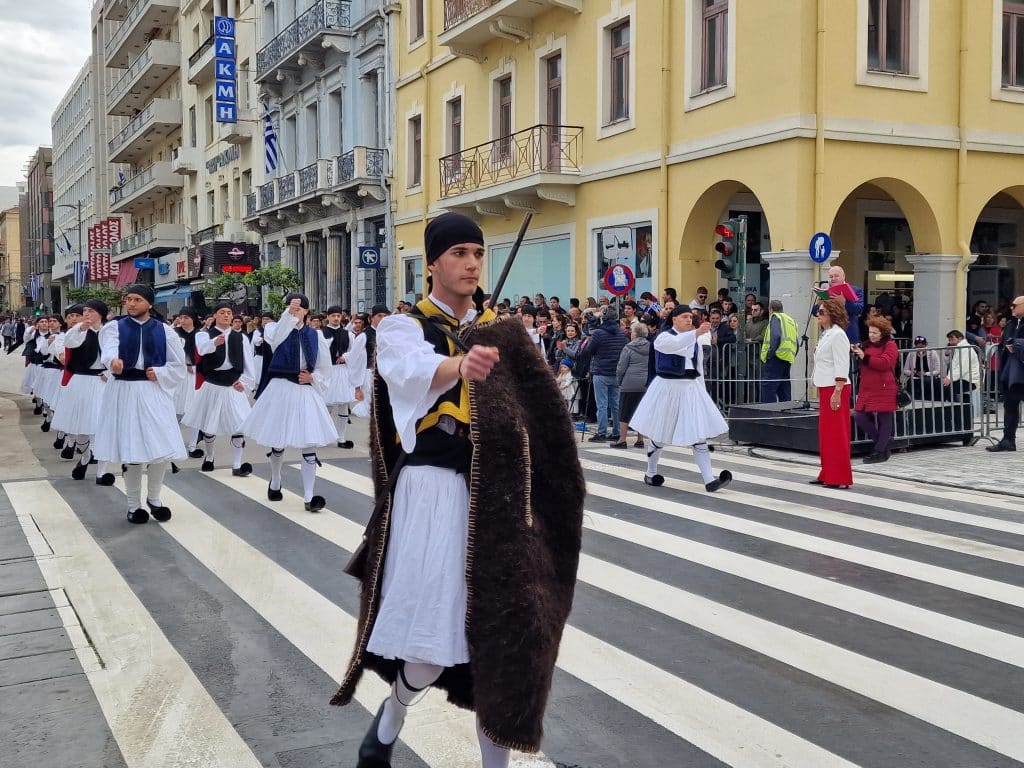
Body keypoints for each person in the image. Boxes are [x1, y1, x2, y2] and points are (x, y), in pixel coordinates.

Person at [332, 211, 585, 768]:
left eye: (477, 253)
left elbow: (539, 409)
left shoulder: (504, 331)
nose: (472, 264)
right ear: (433, 265)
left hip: (498, 494)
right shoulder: (402, 327)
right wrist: (461, 362)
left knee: (502, 642)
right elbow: (409, 371)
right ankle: (391, 719)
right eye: (459, 254)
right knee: (429, 647)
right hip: (434, 489)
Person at [92, 285, 187, 524]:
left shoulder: (165, 331)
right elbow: (109, 351)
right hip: (124, 391)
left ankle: (154, 498)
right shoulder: (114, 327)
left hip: (154, 391)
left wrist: (161, 373)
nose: (131, 303)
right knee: (132, 451)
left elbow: (178, 366)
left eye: (137, 299)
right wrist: (112, 361)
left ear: (149, 304)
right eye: (129, 299)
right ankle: (134, 505)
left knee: (160, 450)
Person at [241, 293, 337, 511]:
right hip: (281, 388)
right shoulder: (274, 328)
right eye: (291, 309)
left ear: (307, 311)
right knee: (278, 439)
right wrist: (288, 314)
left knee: (309, 442)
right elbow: (275, 339)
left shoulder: (316, 336)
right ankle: (275, 480)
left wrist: (313, 378)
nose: (295, 312)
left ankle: (309, 496)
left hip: (305, 389)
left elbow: (325, 366)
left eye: (299, 309)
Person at [628, 305, 732, 490]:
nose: (688, 320)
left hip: (689, 388)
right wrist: (697, 333)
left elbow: (698, 368)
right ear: (674, 319)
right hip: (668, 388)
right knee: (660, 433)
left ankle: (709, 479)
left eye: (690, 317)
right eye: (684, 316)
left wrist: (702, 393)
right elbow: (674, 345)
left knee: (698, 435)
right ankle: (651, 472)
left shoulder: (695, 340)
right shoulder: (664, 337)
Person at [182, 302, 257, 476]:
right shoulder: (204, 335)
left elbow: (248, 363)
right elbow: (201, 350)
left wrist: (245, 383)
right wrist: (215, 342)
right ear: (215, 315)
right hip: (212, 383)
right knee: (209, 425)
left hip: (233, 383)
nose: (226, 315)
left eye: (229, 313)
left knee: (239, 425)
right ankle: (209, 456)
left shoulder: (241, 337)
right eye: (222, 312)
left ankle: (237, 464)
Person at [51, 299, 114, 484]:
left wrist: (109, 371)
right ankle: (85, 455)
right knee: (79, 429)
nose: (86, 314)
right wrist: (81, 328)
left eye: (91, 311)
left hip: (103, 382)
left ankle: (102, 471)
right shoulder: (75, 332)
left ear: (100, 314)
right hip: (80, 381)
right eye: (85, 311)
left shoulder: (109, 332)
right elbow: (70, 343)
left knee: (102, 427)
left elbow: (119, 354)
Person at [810, 299, 852, 489]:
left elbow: (842, 363)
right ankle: (827, 471)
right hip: (825, 386)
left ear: (832, 314)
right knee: (826, 434)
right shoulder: (827, 334)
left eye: (822, 312)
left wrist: (837, 390)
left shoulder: (838, 335)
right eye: (819, 311)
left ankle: (839, 476)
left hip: (836, 388)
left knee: (836, 433)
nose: (818, 315)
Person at [852, 317, 900, 463]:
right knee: (859, 415)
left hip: (884, 387)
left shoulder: (890, 345)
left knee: (884, 419)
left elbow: (885, 363)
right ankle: (883, 445)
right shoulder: (865, 345)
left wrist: (863, 356)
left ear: (882, 332)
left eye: (875, 332)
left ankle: (879, 450)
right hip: (867, 387)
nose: (871, 335)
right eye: (870, 331)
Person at [578, 304, 628, 442]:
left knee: (602, 404)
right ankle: (617, 432)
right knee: (616, 404)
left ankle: (601, 432)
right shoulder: (621, 334)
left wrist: (596, 316)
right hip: (616, 372)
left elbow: (588, 351)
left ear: (604, 317)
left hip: (601, 371)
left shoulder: (599, 333)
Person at [321, 305, 366, 449]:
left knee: (343, 404)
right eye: (333, 316)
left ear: (341, 317)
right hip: (327, 372)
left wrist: (346, 357)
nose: (336, 318)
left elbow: (355, 352)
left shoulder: (349, 335)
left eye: (338, 316)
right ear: (327, 317)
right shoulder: (320, 334)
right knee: (326, 405)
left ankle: (341, 438)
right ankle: (324, 435)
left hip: (343, 371)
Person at [987, 295, 1024, 452]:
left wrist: (1017, 344)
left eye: (1015, 305)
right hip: (1011, 371)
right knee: (1010, 406)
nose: (1012, 308)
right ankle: (1008, 440)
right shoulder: (1010, 324)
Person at [611, 321, 650, 448]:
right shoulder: (651, 347)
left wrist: (619, 381)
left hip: (629, 383)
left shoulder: (628, 347)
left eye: (632, 331)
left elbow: (621, 367)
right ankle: (640, 439)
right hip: (645, 384)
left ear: (635, 334)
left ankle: (622, 439)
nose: (631, 334)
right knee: (641, 411)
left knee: (625, 411)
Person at [172, 309, 203, 457]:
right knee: (176, 410)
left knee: (195, 410)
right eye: (181, 317)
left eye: (186, 317)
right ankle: (173, 444)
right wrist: (185, 364)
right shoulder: (174, 333)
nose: (182, 320)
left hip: (195, 375)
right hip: (178, 375)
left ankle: (192, 445)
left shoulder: (200, 334)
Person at [760, 299, 799, 403]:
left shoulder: (775, 317)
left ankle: (770, 413)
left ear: (771, 309)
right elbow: (796, 342)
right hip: (787, 358)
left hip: (776, 357)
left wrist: (770, 353)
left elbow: (776, 336)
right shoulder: (791, 320)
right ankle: (786, 413)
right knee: (783, 387)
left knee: (769, 387)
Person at [814, 265, 865, 344]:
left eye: (836, 276)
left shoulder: (856, 290)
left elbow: (859, 309)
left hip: (848, 334)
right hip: (828, 334)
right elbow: (814, 312)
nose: (833, 279)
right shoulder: (826, 291)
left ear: (843, 276)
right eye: (831, 276)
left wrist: (844, 302)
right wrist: (819, 305)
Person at [943, 330, 981, 402]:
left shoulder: (965, 349)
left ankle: (955, 409)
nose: (950, 342)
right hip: (960, 378)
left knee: (949, 388)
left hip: (969, 380)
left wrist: (950, 378)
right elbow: (952, 365)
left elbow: (963, 368)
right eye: (949, 340)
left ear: (960, 338)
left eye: (952, 339)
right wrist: (947, 354)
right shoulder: (957, 348)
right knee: (939, 385)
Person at [902, 335, 943, 401]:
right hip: (915, 377)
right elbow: (905, 370)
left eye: (922, 347)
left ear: (926, 345)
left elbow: (938, 370)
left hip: (929, 377)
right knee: (911, 382)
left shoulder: (933, 353)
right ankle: (915, 401)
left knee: (926, 381)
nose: (920, 349)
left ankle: (928, 400)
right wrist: (913, 372)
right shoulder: (911, 353)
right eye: (918, 347)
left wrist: (925, 373)